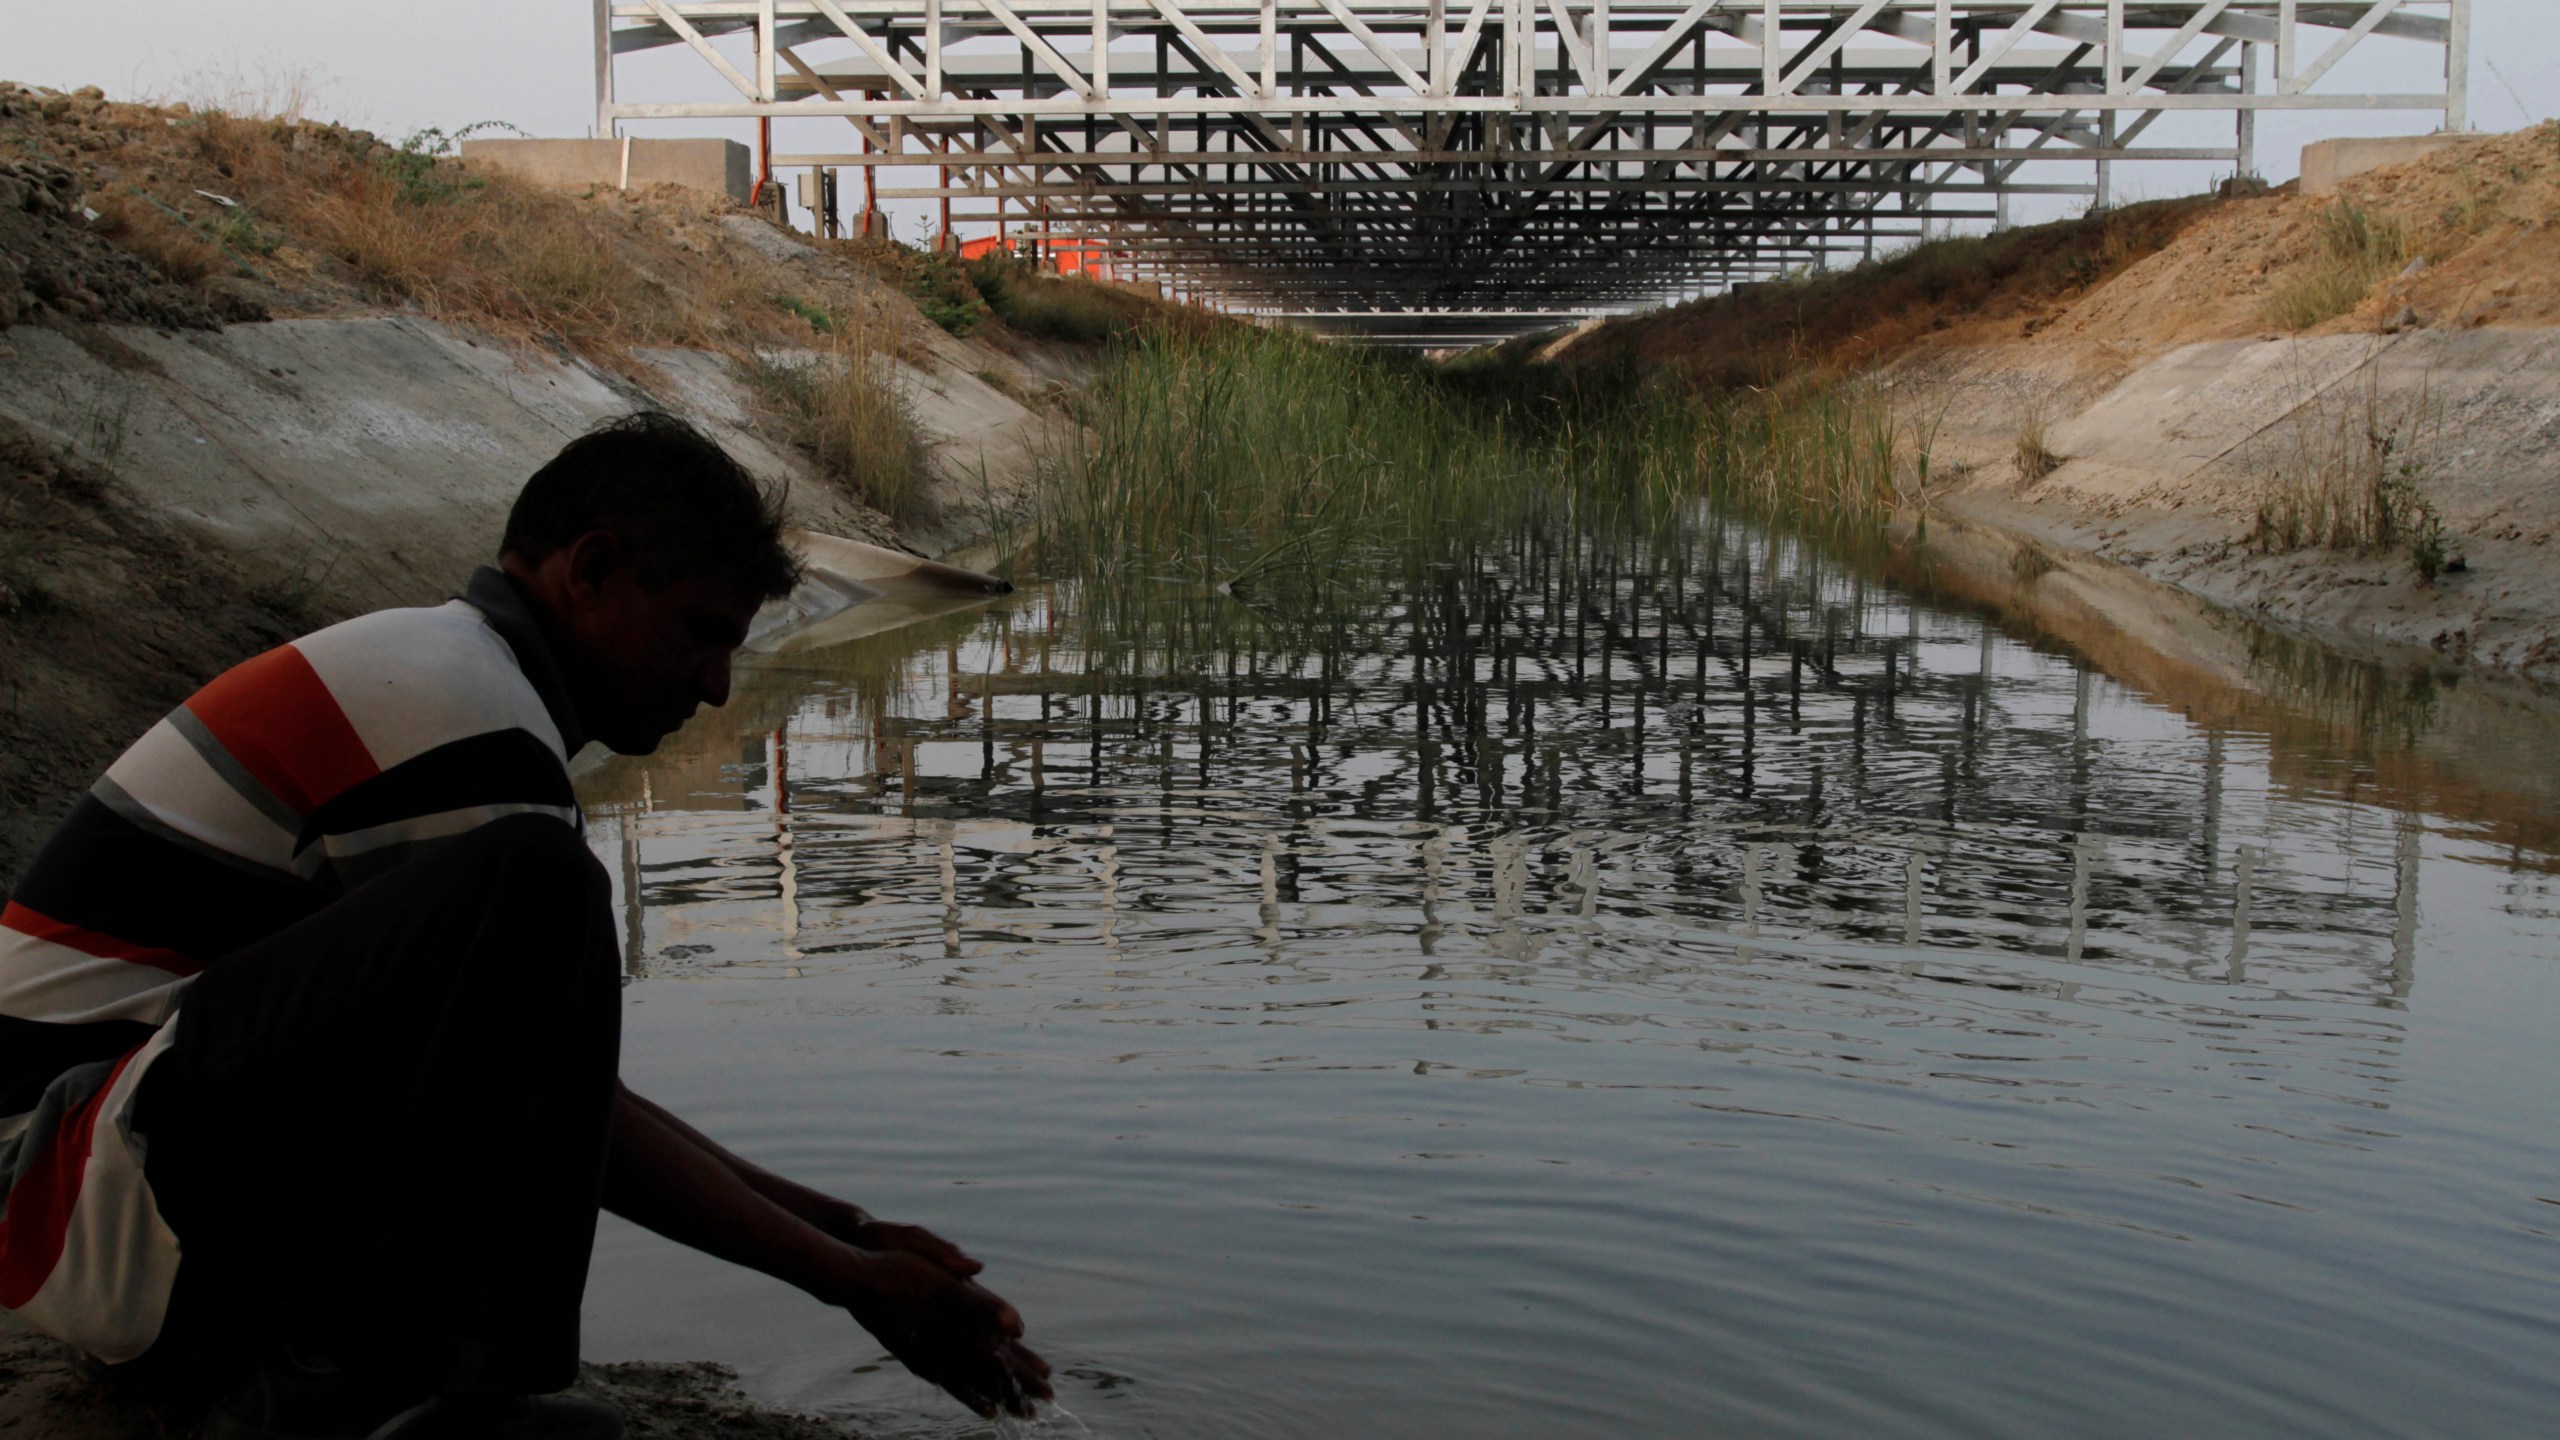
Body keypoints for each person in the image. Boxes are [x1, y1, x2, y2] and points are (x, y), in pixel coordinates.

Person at [0, 412, 1051, 1439]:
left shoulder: (454, 679)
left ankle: (363, 1367)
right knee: (539, 888)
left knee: (532, 909)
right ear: (589, 572)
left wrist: (851, 1233)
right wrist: (851, 1280)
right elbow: (579, 1120)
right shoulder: (462, 712)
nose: (717, 685)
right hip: (76, 1187)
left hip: (118, 1181)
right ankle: (380, 1387)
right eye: (698, 634)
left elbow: (556, 1089)